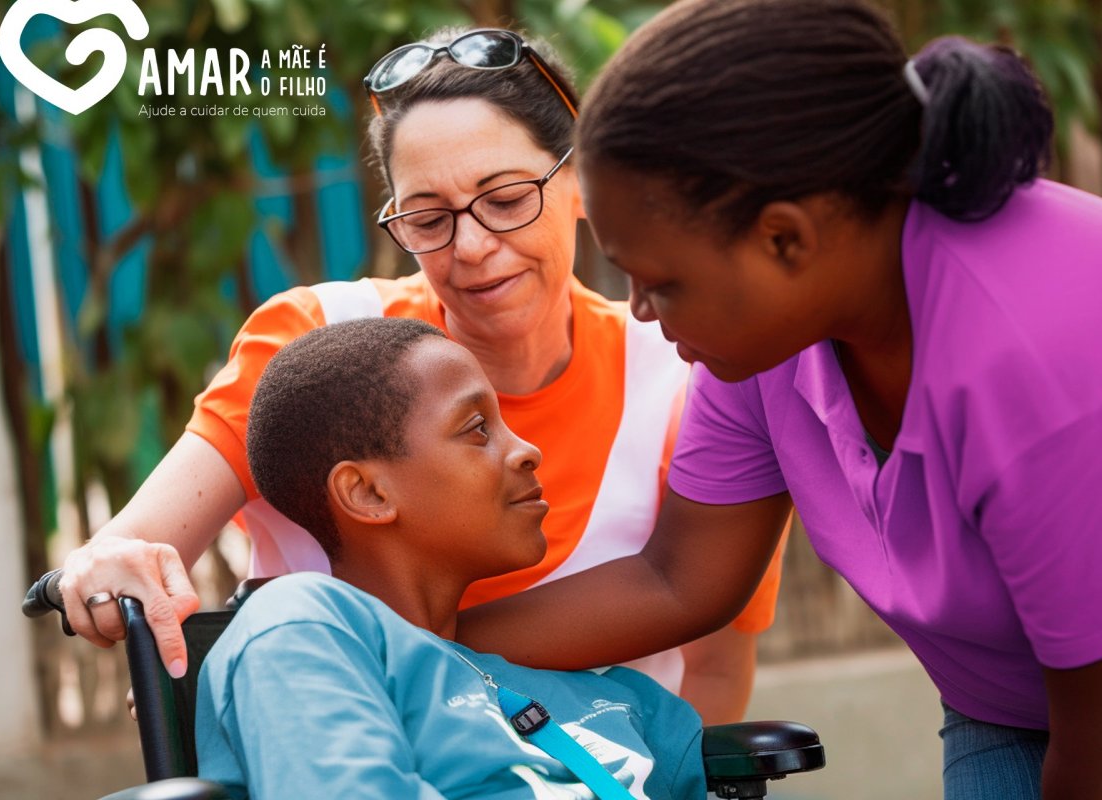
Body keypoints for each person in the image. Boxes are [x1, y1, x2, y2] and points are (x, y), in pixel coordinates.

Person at [454, 1, 1102, 797]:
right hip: (1011, 704)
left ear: (785, 239)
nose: (641, 312)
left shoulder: (1050, 355)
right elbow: (677, 578)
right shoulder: (768, 338)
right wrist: (411, 642)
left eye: (660, 283)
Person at [55, 27, 783, 722]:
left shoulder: (684, 374)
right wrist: (109, 569)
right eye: (428, 218)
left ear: (582, 183)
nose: (471, 246)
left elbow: (714, 669)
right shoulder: (318, 347)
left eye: (505, 200)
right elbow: (132, 548)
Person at [195, 316, 705, 799]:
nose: (528, 450)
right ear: (368, 493)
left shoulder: (622, 699)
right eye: (479, 428)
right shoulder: (299, 627)